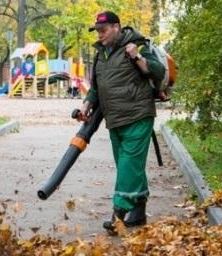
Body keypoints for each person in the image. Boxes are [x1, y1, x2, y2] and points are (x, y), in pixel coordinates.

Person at [77, 11, 166, 232]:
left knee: (128, 168)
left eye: (103, 30)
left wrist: (137, 56)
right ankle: (138, 214)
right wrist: (86, 104)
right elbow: (97, 88)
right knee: (130, 168)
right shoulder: (101, 54)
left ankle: (118, 215)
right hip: (114, 121)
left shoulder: (137, 44)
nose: (100, 35)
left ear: (116, 27)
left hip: (138, 116)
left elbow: (158, 70)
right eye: (97, 31)